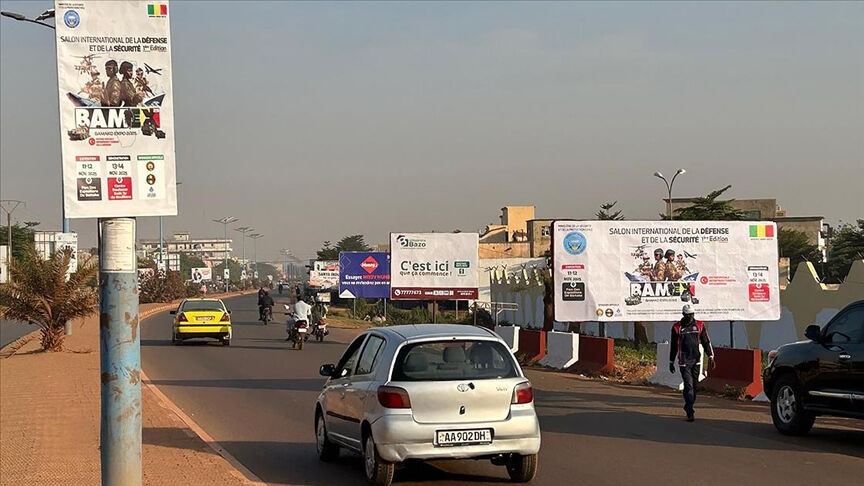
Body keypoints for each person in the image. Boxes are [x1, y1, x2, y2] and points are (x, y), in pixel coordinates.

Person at [669, 304, 715, 422]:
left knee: (695, 387)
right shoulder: (677, 327)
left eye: (692, 315)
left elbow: (706, 341)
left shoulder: (699, 325)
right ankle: (690, 411)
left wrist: (710, 356)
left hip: (696, 360)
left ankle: (688, 405)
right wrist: (671, 361)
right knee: (688, 385)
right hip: (684, 361)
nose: (690, 317)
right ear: (683, 315)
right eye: (688, 315)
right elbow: (673, 346)